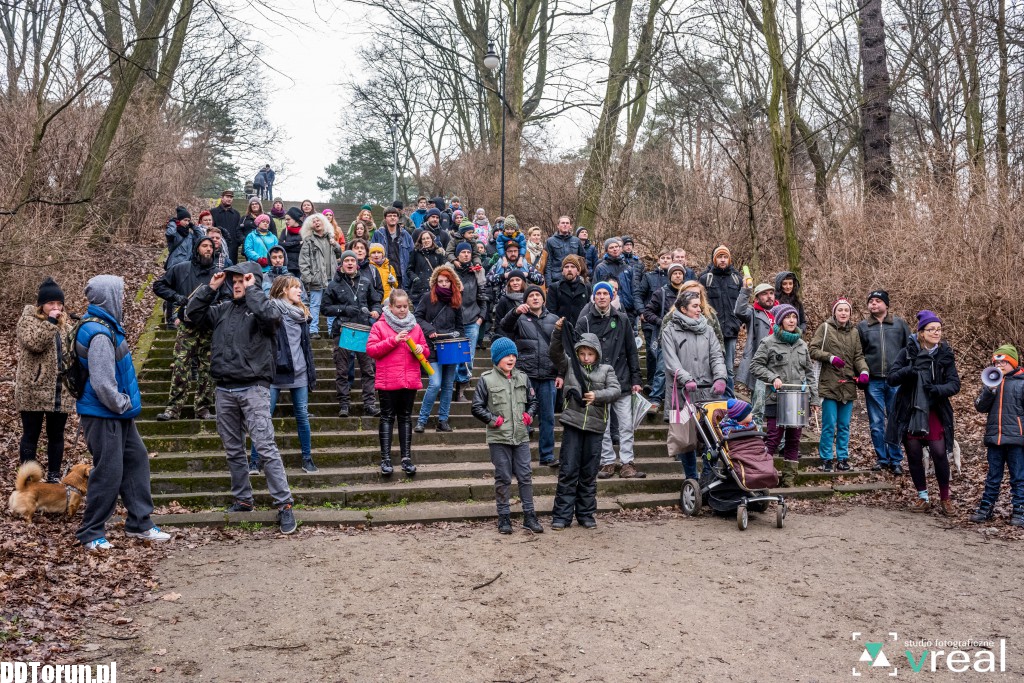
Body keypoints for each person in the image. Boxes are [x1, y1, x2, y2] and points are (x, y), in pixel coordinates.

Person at [184, 262, 296, 533]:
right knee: (233, 450)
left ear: (253, 282)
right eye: (233, 280)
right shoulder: (222, 309)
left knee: (265, 447)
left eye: (242, 279)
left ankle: (284, 505)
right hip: (224, 389)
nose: (236, 284)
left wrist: (253, 288)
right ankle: (243, 500)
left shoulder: (264, 309)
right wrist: (210, 288)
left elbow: (270, 317)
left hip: (254, 388)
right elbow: (192, 314)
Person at [75, 275, 170, 550]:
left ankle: (140, 523)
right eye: (121, 293)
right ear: (109, 297)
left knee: (136, 459)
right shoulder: (100, 333)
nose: (125, 298)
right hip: (105, 414)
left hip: (117, 415)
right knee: (109, 472)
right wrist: (122, 404)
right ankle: (91, 532)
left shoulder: (106, 326)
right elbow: (103, 382)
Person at [885, 311, 960, 514]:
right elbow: (891, 378)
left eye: (939, 329)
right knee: (914, 454)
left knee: (938, 452)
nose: (936, 333)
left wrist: (938, 390)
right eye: (932, 329)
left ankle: (945, 498)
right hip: (910, 410)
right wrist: (909, 370)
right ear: (921, 332)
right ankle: (923, 496)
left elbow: (955, 384)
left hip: (935, 409)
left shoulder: (945, 353)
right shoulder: (908, 352)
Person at [548, 325, 620, 529]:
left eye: (590, 354)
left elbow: (615, 390)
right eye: (582, 353)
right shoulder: (571, 365)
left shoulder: (607, 370)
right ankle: (561, 516)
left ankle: (586, 514)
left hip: (596, 427)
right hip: (573, 424)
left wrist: (598, 396)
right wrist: (557, 332)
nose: (586, 357)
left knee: (589, 473)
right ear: (577, 352)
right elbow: (555, 352)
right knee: (568, 470)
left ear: (597, 354)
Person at [471, 337, 544, 534]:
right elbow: (476, 407)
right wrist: (494, 420)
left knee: (525, 476)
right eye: (506, 356)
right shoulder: (486, 379)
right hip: (498, 437)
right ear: (496, 358)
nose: (511, 359)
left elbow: (533, 400)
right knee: (503, 477)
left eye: (513, 355)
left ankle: (530, 515)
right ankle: (504, 517)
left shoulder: (522, 377)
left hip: (520, 436)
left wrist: (529, 415)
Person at [249, 276, 317, 474]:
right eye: (295, 287)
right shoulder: (272, 311)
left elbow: (305, 346)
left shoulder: (302, 313)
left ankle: (307, 458)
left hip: (300, 370)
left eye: (300, 288)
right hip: (275, 371)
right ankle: (255, 460)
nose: (300, 291)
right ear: (283, 290)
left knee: (303, 416)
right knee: (263, 417)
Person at [577, 282, 644, 479]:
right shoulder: (585, 321)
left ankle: (627, 462)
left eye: (606, 293)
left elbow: (632, 351)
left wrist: (636, 379)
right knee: (602, 426)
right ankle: (607, 462)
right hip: (597, 383)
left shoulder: (622, 319)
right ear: (594, 297)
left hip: (621, 379)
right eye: (598, 293)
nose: (602, 297)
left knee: (625, 424)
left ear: (612, 295)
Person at [152, 236, 223, 421]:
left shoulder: (218, 274)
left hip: (208, 327)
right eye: (204, 246)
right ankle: (173, 409)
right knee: (181, 367)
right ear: (196, 248)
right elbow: (158, 285)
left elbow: (227, 297)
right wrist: (176, 297)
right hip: (187, 326)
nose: (208, 249)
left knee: (207, 370)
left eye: (211, 247)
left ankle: (203, 408)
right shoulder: (181, 268)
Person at [660, 290, 728, 479]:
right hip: (683, 393)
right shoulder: (670, 330)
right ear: (683, 308)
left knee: (711, 437)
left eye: (700, 305)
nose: (700, 309)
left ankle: (709, 475)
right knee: (685, 440)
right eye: (695, 306)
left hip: (707, 392)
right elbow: (671, 361)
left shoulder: (707, 329)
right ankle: (691, 478)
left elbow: (716, 355)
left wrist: (721, 377)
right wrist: (685, 378)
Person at [750, 303, 818, 487]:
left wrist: (814, 398)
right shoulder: (768, 342)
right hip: (775, 398)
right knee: (773, 437)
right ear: (780, 320)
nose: (792, 320)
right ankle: (763, 474)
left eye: (794, 317)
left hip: (798, 399)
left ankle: (789, 479)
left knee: (794, 439)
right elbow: (755, 366)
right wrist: (772, 377)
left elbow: (810, 373)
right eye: (788, 317)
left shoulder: (802, 345)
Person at [16, 278, 74, 483]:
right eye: (51, 303)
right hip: (33, 389)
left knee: (56, 435)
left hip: (60, 391)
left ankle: (54, 477)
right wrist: (50, 322)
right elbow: (35, 343)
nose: (56, 307)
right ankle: (27, 481)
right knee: (31, 435)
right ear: (42, 304)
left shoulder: (66, 325)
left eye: (59, 304)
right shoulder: (28, 320)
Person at [368, 289, 429, 475]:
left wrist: (421, 349)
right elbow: (372, 350)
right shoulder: (379, 326)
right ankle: (386, 459)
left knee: (405, 418)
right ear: (390, 307)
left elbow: (426, 351)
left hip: (409, 379)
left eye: (405, 306)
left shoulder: (415, 327)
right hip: (388, 380)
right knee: (387, 417)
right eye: (398, 307)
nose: (402, 310)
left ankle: (406, 458)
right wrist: (393, 340)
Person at [501, 285, 560, 467]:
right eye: (531, 296)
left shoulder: (554, 319)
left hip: (549, 375)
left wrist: (561, 373)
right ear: (526, 300)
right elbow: (504, 326)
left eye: (538, 295)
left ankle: (547, 455)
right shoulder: (519, 318)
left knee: (548, 418)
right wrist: (514, 312)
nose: (535, 298)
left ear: (543, 299)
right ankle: (520, 457)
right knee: (522, 417)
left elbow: (561, 348)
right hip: (526, 376)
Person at [809, 298, 869, 472]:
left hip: (848, 384)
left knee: (844, 425)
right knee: (829, 424)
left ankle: (842, 458)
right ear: (834, 312)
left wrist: (864, 372)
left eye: (846, 310)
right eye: (840, 310)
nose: (843, 313)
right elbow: (812, 349)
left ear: (850, 313)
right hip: (828, 384)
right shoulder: (825, 328)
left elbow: (858, 356)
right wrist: (829, 357)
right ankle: (826, 458)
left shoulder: (854, 332)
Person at [857, 289, 911, 473]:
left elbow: (909, 351)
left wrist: (906, 373)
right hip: (873, 381)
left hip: (896, 381)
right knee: (876, 422)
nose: (874, 304)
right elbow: (859, 354)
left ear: (886, 304)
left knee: (895, 420)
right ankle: (882, 458)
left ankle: (896, 459)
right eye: (871, 301)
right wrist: (862, 373)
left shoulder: (900, 325)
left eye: (878, 301)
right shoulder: (863, 327)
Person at [969, 345, 1024, 526]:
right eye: (996, 362)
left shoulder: (1021, 383)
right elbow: (979, 406)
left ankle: (1019, 510)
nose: (999, 365)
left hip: (1016, 439)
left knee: (1018, 477)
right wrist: (989, 389)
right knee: (993, 476)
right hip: (995, 438)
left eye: (1004, 361)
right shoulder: (992, 382)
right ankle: (986, 508)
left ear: (1013, 362)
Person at [324, 250, 381, 418]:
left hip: (363, 329)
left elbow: (376, 301)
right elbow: (325, 308)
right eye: (346, 260)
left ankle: (369, 404)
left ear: (357, 263)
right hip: (342, 330)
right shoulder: (333, 285)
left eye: (352, 260)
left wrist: (376, 311)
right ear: (341, 264)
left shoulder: (366, 282)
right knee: (342, 370)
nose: (349, 263)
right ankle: (344, 404)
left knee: (368, 369)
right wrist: (343, 309)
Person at [415, 264, 464, 432]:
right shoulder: (428, 297)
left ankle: (443, 420)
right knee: (435, 383)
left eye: (446, 281)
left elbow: (461, 326)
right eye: (440, 281)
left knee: (448, 384)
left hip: (450, 347)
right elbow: (417, 317)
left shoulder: (456, 300)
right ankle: (422, 420)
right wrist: (430, 330)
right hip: (432, 346)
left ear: (452, 283)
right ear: (435, 282)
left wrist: (457, 337)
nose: (443, 284)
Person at [642, 263, 689, 413]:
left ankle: (684, 400)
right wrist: (661, 322)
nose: (677, 275)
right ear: (670, 276)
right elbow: (647, 313)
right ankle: (655, 399)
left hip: (687, 337)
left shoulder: (688, 294)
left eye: (680, 273)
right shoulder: (660, 293)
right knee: (662, 368)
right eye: (674, 273)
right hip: (667, 337)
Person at [699, 246, 743, 394]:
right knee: (710, 365)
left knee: (729, 368)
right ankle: (712, 397)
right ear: (714, 259)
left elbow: (742, 304)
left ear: (729, 259)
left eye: (725, 257)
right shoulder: (706, 279)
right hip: (711, 331)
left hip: (731, 330)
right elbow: (700, 304)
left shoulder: (737, 279)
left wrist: (738, 322)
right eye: (719, 257)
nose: (722, 260)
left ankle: (729, 400)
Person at [734, 281, 777, 422]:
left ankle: (778, 440)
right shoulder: (753, 312)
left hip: (779, 363)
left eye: (771, 293)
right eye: (764, 294)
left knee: (779, 406)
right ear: (757, 298)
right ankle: (756, 436)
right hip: (760, 363)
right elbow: (739, 311)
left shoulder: (782, 312)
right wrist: (745, 291)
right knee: (758, 403)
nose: (769, 297)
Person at [451, 242, 488, 401]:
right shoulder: (451, 273)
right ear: (457, 255)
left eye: (468, 252)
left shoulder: (477, 273)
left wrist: (481, 318)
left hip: (473, 319)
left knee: (468, 358)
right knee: (453, 356)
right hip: (453, 320)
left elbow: (483, 297)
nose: (466, 255)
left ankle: (461, 389)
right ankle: (450, 387)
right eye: (463, 252)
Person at [299, 212, 342, 338]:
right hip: (316, 279)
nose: (317, 223)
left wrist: (335, 244)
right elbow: (303, 261)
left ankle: (331, 330)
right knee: (315, 304)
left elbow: (339, 254)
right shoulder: (308, 241)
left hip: (331, 277)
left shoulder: (330, 238)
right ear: (310, 226)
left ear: (324, 222)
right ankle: (313, 330)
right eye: (314, 221)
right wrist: (309, 278)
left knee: (331, 304)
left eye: (319, 220)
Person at [593, 237, 638, 326]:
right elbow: (594, 288)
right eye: (611, 247)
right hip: (608, 310)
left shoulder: (628, 268)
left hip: (628, 310)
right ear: (606, 250)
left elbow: (635, 289)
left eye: (616, 246)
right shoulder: (600, 268)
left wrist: (636, 308)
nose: (614, 249)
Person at [406, 230, 447, 304]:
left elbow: (443, 270)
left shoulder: (438, 253)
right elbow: (409, 269)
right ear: (420, 241)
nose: (426, 240)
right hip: (419, 290)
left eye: (428, 238)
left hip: (434, 289)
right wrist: (415, 279)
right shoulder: (416, 253)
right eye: (423, 239)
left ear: (432, 239)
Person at [546, 255, 590, 323]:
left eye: (573, 267)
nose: (569, 269)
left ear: (578, 271)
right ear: (562, 271)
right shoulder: (554, 288)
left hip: (581, 329)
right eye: (566, 267)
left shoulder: (586, 287)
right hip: (561, 329)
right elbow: (550, 313)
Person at [544, 216, 585, 285]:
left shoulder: (576, 241)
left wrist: (582, 277)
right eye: (563, 223)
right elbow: (548, 264)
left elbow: (582, 261)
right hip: (556, 279)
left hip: (574, 279)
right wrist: (548, 284)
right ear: (558, 225)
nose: (565, 225)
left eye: (567, 223)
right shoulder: (550, 241)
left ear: (570, 226)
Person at [165, 206, 204, 270]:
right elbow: (170, 233)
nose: (187, 223)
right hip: (174, 267)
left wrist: (193, 226)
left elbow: (201, 237)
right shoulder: (174, 233)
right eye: (185, 220)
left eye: (188, 221)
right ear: (179, 220)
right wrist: (172, 222)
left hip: (188, 267)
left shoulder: (190, 235)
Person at [211, 190, 242, 264]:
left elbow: (238, 229)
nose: (229, 199)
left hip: (232, 246)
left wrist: (237, 242)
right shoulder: (213, 212)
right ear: (222, 198)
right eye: (227, 197)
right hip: (217, 244)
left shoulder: (236, 214)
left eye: (231, 197)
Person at [277, 207, 304, 277]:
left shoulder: (304, 231)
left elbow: (303, 248)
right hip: (288, 267)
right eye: (285, 219)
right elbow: (281, 245)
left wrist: (287, 245)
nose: (286, 221)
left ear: (295, 219)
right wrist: (297, 243)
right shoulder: (285, 231)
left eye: (288, 219)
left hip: (301, 266)